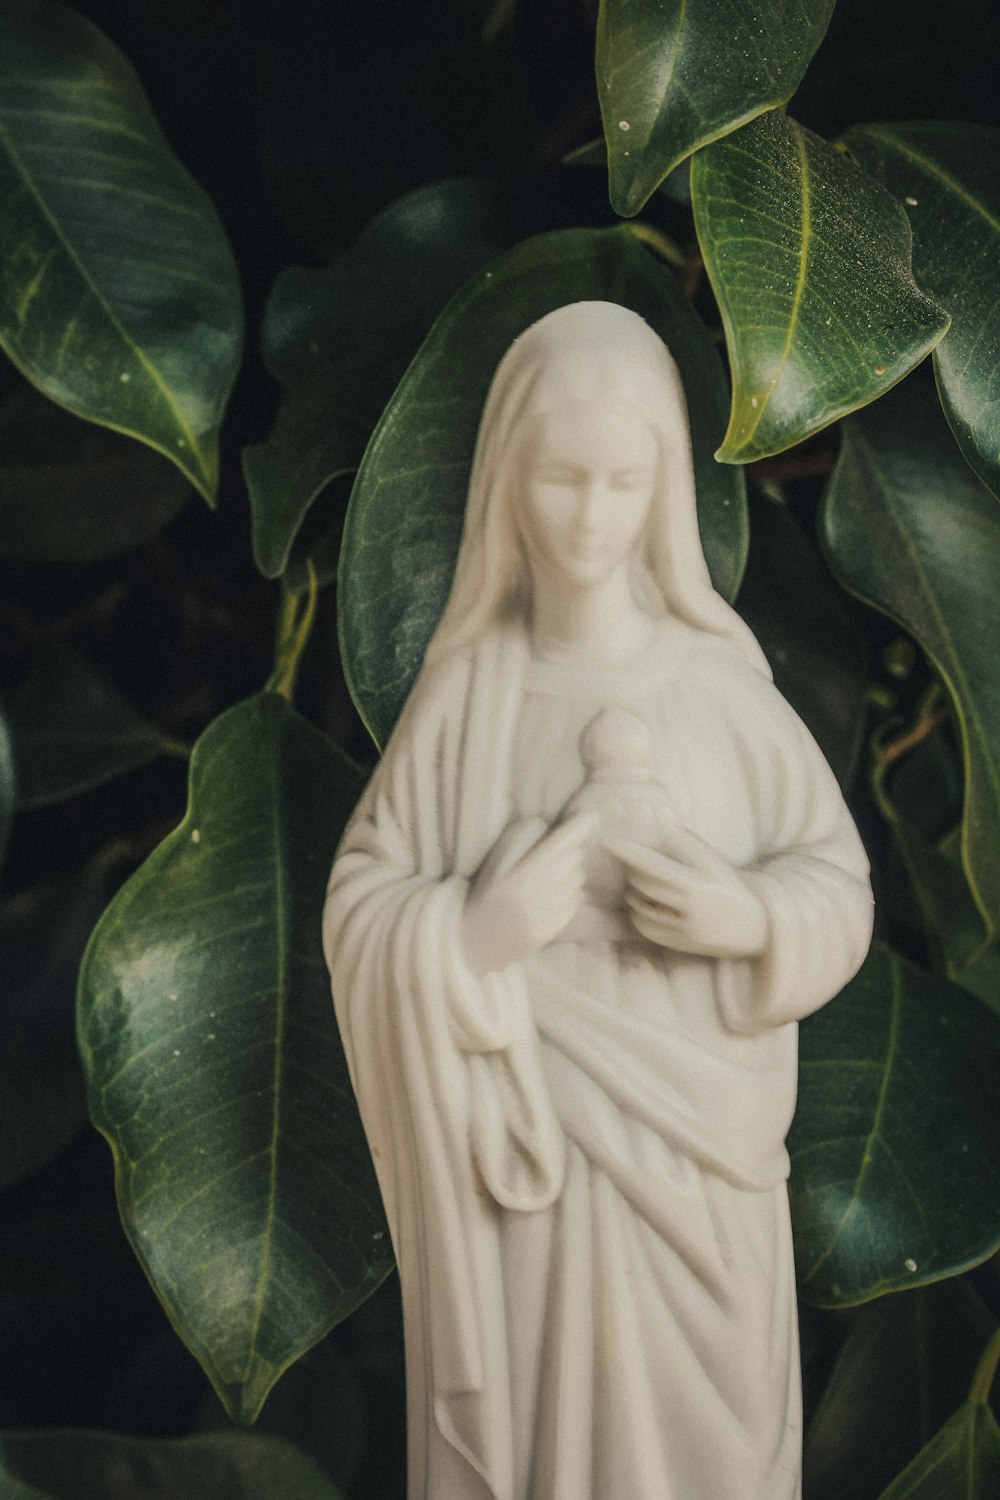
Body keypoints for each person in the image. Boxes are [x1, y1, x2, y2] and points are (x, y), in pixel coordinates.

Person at [323, 301, 873, 1500]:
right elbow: (360, 908)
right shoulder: (466, 700)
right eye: (560, 478)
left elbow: (835, 885)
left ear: (664, 491)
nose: (588, 516)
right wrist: (471, 935)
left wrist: (750, 921)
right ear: (504, 482)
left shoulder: (720, 694)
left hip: (698, 1172)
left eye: (622, 482)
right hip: (524, 1159)